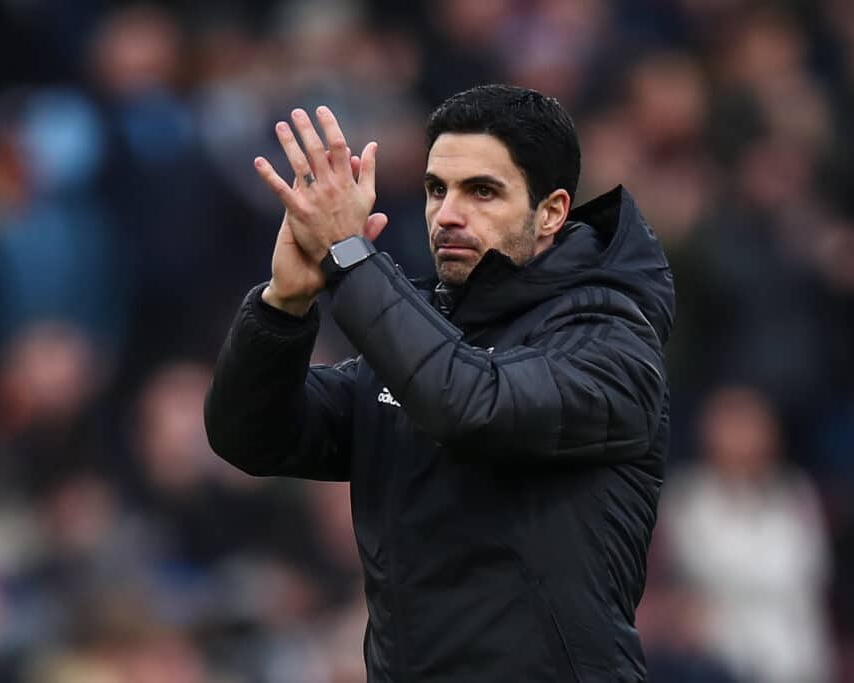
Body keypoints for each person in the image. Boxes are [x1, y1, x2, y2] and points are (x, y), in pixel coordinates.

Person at [204, 85, 675, 682]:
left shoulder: (610, 341)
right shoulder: (416, 342)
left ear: (552, 211)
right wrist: (283, 306)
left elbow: (469, 403)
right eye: (436, 190)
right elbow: (250, 436)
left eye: (482, 190)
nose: (448, 213)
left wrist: (351, 257)